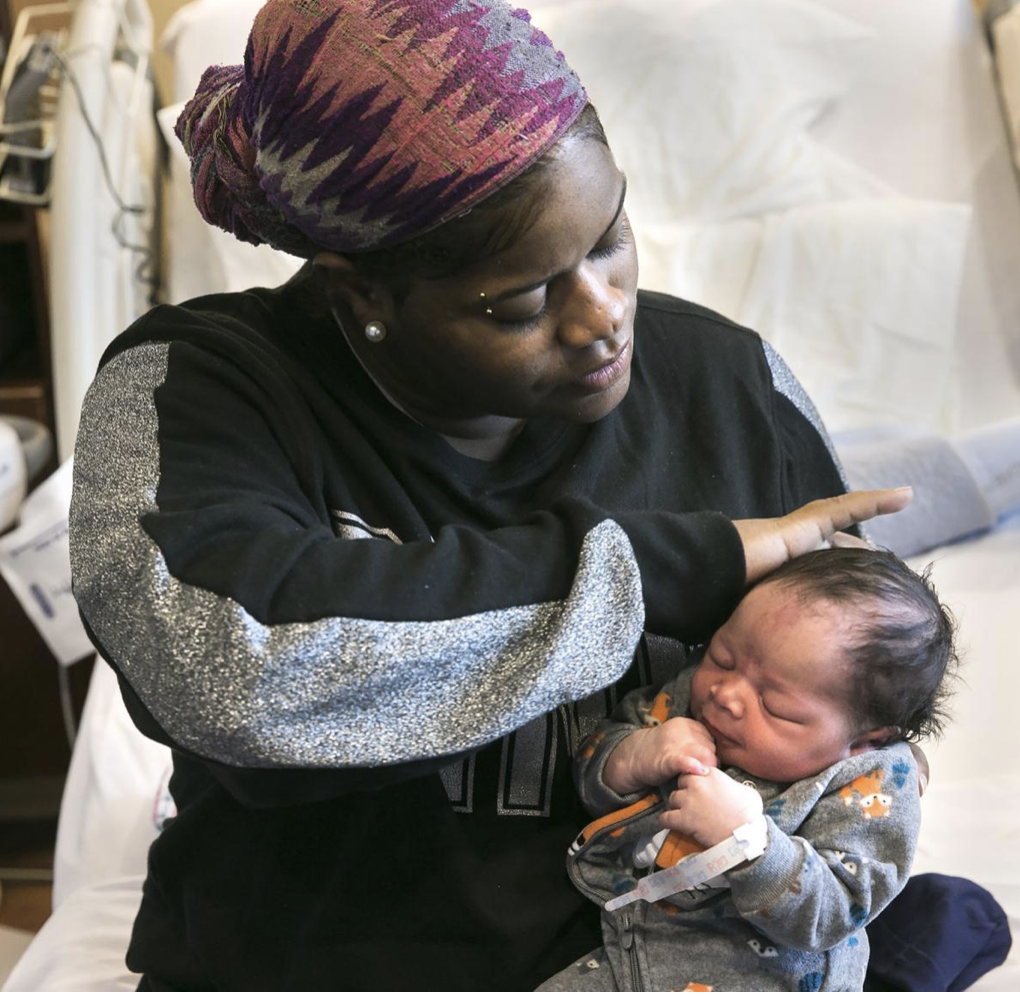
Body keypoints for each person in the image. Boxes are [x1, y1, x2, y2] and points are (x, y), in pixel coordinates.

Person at [67, 0, 913, 989]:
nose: (603, 318)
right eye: (521, 300)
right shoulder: (199, 385)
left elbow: (857, 722)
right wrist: (677, 567)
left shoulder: (729, 388)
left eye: (609, 240)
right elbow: (226, 672)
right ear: (361, 293)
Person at [539, 547, 957, 992]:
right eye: (722, 657)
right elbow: (588, 774)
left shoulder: (871, 785)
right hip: (631, 954)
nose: (725, 695)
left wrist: (749, 842)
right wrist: (633, 755)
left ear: (865, 740)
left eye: (773, 705)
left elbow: (837, 910)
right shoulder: (687, 699)